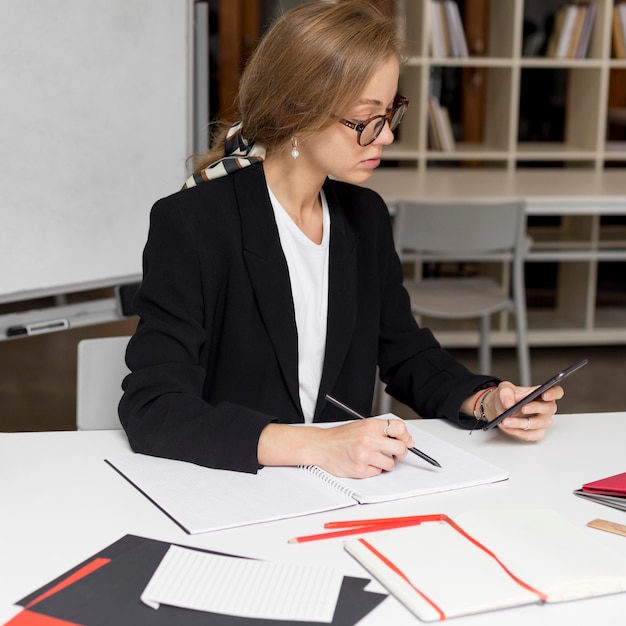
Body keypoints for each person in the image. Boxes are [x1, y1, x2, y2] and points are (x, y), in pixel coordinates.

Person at [119, 0, 563, 477]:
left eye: (391, 113)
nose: (386, 137)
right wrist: (315, 445)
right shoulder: (193, 222)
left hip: (347, 494)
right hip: (228, 487)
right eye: (366, 119)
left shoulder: (363, 216)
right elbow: (153, 407)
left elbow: (404, 350)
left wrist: (485, 399)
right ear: (296, 110)